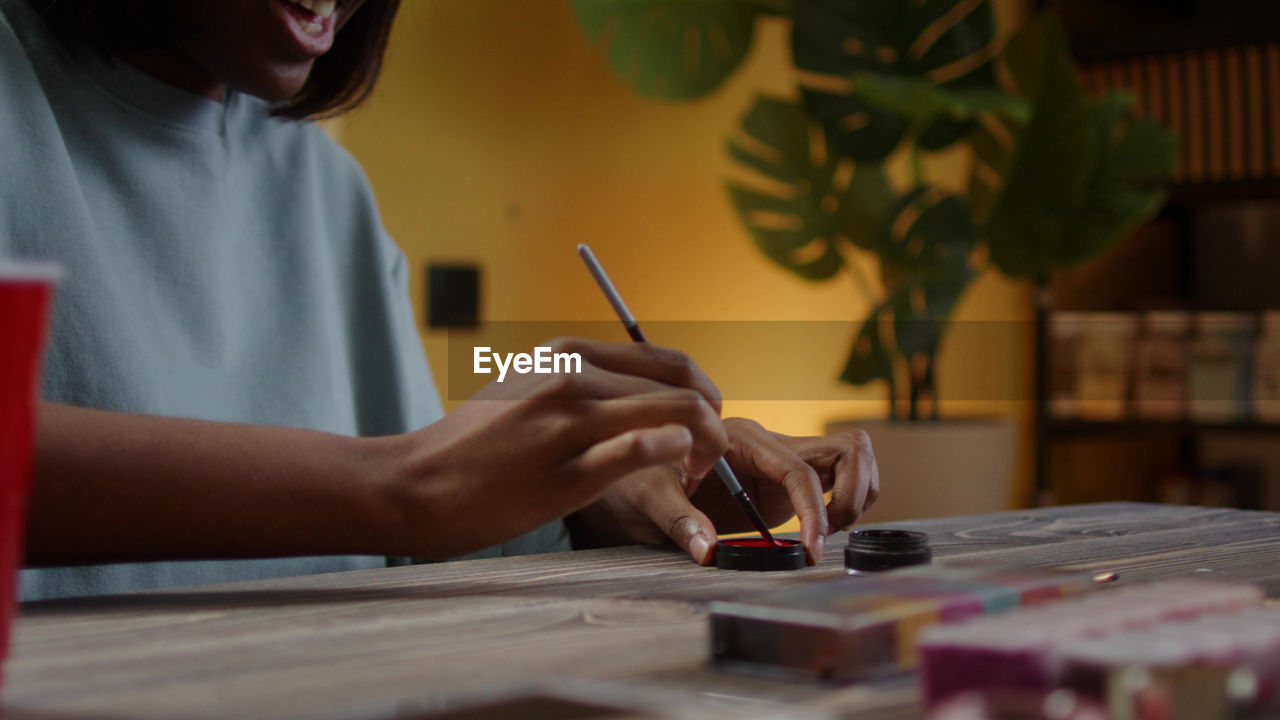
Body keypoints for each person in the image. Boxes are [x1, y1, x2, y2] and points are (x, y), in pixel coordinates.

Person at [0, 0, 879, 601]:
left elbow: (415, 528)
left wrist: (597, 495)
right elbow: (399, 493)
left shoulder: (323, 189)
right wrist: (397, 485)